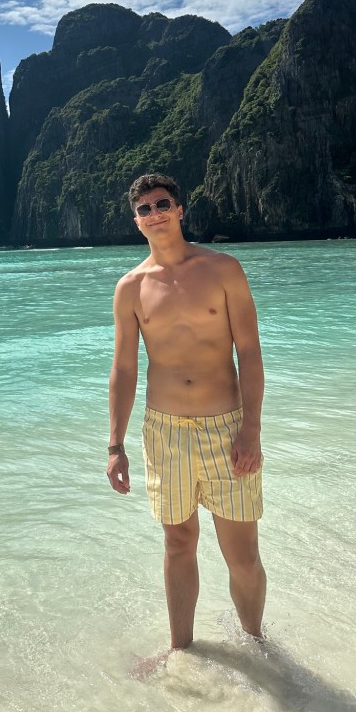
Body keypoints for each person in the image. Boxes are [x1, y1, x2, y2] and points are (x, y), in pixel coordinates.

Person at [106, 172, 266, 666]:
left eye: (162, 204)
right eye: (144, 209)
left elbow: (249, 352)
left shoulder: (223, 270)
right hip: (165, 431)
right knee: (178, 543)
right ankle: (182, 652)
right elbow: (124, 369)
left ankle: (258, 645)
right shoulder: (131, 288)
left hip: (226, 427)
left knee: (241, 554)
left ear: (179, 210)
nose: (154, 213)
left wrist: (251, 429)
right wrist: (115, 445)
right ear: (136, 221)